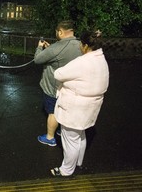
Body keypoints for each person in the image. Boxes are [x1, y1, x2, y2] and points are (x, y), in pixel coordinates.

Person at [50, 30, 109, 177]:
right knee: (80, 135)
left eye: (81, 44)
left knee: (70, 140)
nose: (79, 47)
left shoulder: (82, 62)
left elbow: (58, 74)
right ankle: (78, 163)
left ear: (85, 45)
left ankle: (66, 170)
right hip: (91, 106)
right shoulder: (101, 59)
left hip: (75, 108)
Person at [34, 20, 82, 146]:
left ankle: (50, 138)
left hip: (54, 87)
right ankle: (62, 131)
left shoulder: (57, 47)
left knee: (53, 112)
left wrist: (40, 47)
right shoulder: (81, 45)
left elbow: (37, 60)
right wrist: (51, 49)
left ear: (60, 32)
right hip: (72, 86)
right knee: (65, 109)